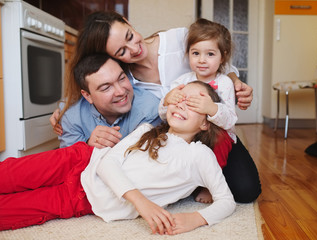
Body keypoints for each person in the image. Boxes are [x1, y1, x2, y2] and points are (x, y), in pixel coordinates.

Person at [51, 12, 261, 203]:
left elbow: (218, 61)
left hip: (211, 129)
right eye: (122, 51)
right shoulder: (124, 79)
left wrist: (235, 81)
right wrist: (65, 108)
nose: (134, 48)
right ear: (111, 58)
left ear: (127, 22)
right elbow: (94, 82)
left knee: (245, 190)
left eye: (129, 36)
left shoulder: (179, 40)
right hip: (173, 139)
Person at [0, 82, 236, 235]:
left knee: (10, 212)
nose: (183, 103)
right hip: (80, 160)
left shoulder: (199, 156)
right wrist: (142, 203)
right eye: (180, 97)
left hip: (80, 200)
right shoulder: (146, 130)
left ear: (206, 122)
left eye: (195, 102)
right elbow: (106, 164)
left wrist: (195, 219)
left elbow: (226, 201)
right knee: (10, 173)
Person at [158, 18, 238, 203]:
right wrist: (167, 101)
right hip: (189, 131)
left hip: (215, 133)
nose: (202, 60)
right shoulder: (182, 81)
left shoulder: (225, 83)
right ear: (188, 54)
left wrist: (211, 108)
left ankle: (209, 185)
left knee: (220, 141)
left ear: (222, 57)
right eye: (195, 53)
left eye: (210, 54)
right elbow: (163, 114)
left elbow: (230, 121)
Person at [58, 53, 161, 148]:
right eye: (106, 88)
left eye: (122, 79)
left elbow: (141, 161)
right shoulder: (71, 116)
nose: (120, 92)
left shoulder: (150, 109)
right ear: (88, 96)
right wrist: (87, 146)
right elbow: (69, 162)